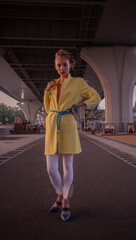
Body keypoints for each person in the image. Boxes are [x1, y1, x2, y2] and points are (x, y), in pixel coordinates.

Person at [43, 49, 101, 221]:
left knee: (67, 166)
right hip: (52, 124)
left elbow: (95, 96)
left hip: (67, 123)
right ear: (55, 66)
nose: (62, 68)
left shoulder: (78, 82)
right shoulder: (52, 84)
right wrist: (46, 91)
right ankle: (60, 194)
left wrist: (80, 104)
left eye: (65, 65)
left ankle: (66, 201)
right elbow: (47, 109)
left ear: (70, 65)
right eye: (59, 65)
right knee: (51, 169)